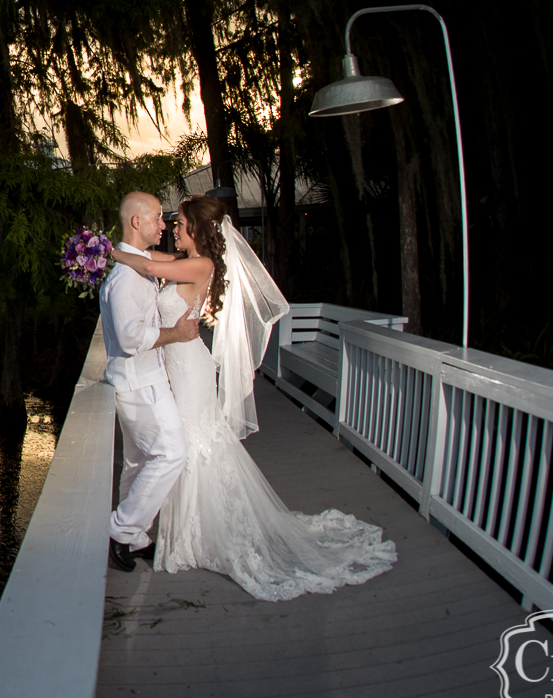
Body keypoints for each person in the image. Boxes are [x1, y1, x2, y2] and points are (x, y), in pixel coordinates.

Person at [107, 194, 397, 600]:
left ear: (198, 230)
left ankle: (184, 534)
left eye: (181, 223)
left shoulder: (201, 264)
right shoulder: (183, 261)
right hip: (175, 365)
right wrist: (118, 253)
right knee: (185, 445)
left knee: (191, 444)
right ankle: (161, 532)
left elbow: (148, 265)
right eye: (170, 222)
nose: (174, 227)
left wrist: (103, 253)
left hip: (188, 366)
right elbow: (151, 262)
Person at [100, 190, 205, 572]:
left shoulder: (138, 264)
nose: (164, 225)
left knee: (138, 461)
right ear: (136, 222)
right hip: (140, 382)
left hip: (143, 379)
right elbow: (130, 339)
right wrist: (174, 335)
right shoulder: (127, 278)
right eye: (159, 218)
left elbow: (157, 266)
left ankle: (136, 537)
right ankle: (120, 530)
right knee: (171, 453)